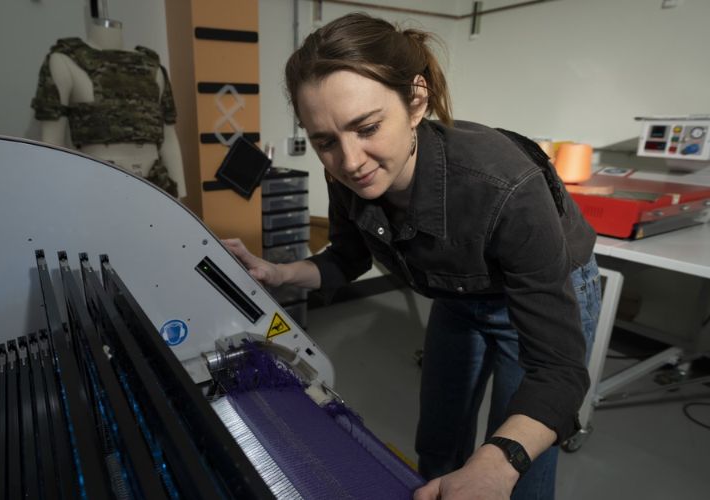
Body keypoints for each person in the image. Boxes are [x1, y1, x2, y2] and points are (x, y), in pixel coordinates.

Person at [223, 13, 600, 500]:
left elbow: (559, 372)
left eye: (368, 127)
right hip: (458, 296)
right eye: (325, 141)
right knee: (439, 445)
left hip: (536, 294)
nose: (351, 161)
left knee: (516, 466)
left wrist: (497, 461)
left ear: (416, 100)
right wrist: (277, 271)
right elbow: (347, 257)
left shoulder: (505, 186)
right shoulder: (346, 174)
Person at [31, 15, 186, 198]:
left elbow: (169, 139)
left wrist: (179, 196)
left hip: (155, 189)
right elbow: (52, 144)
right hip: (97, 189)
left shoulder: (154, 67)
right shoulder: (64, 61)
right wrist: (57, 197)